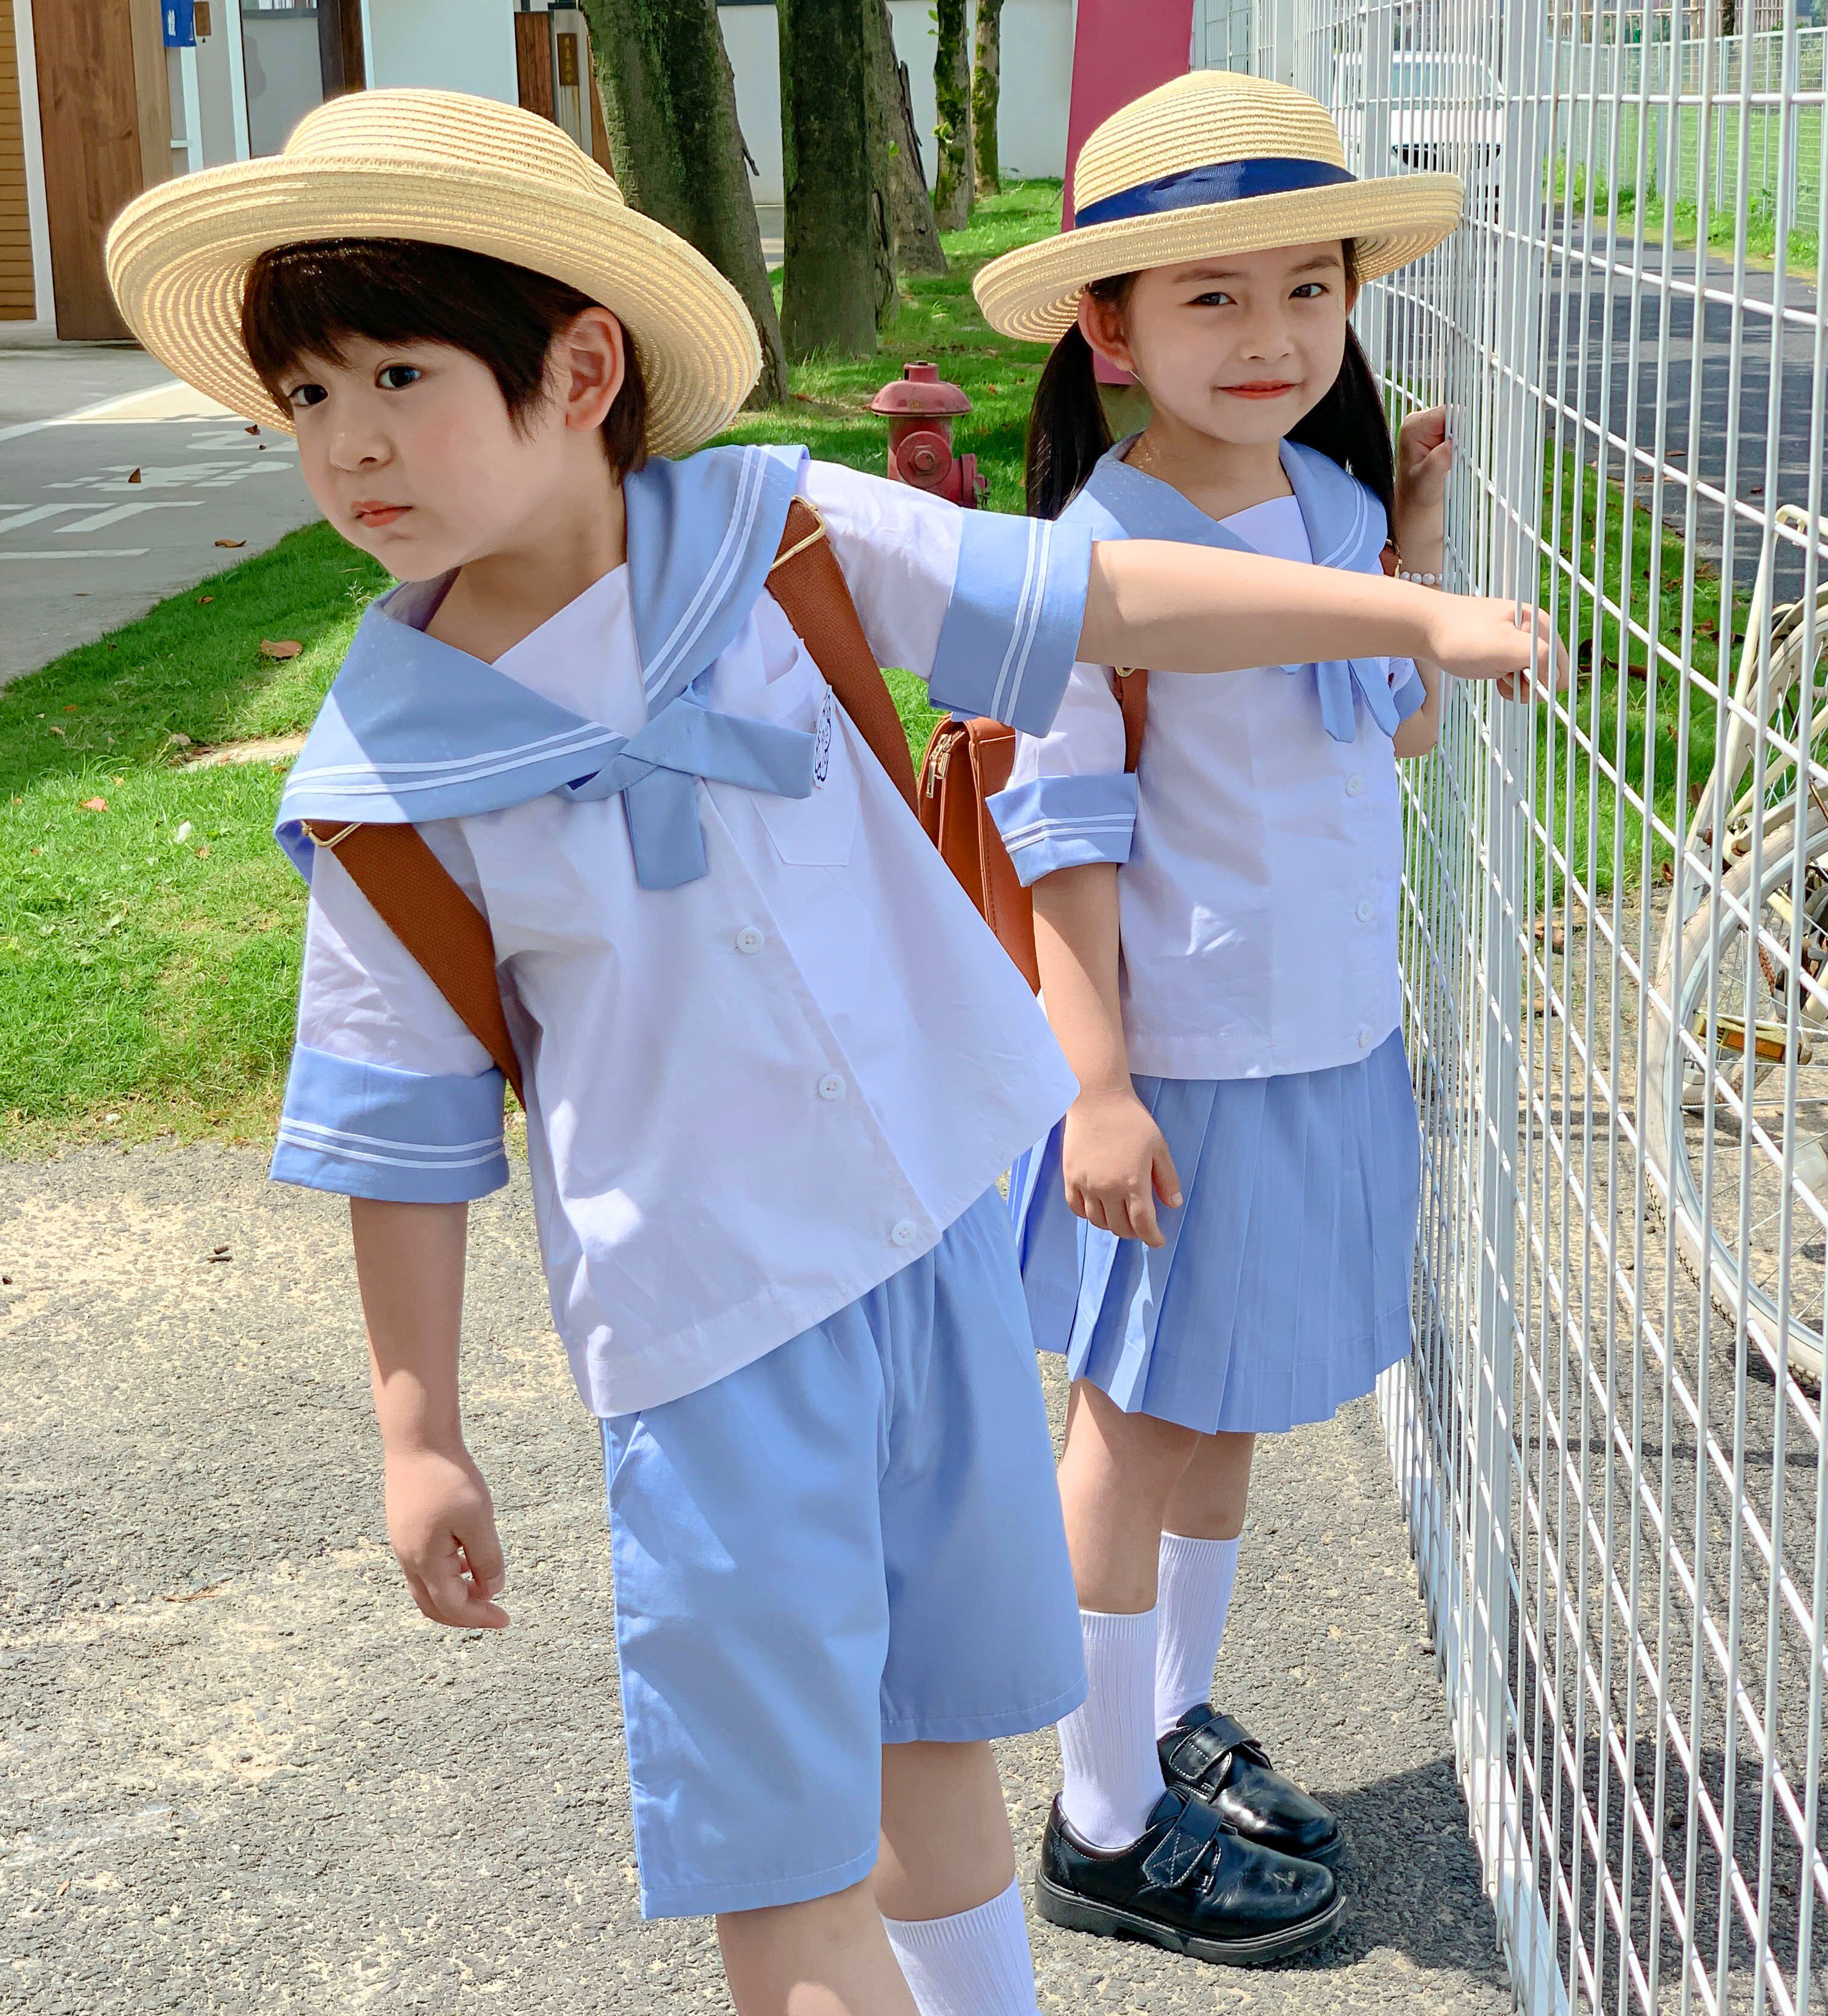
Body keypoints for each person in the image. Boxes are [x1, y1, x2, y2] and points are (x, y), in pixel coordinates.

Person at [105, 88, 1561, 2015]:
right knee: (784, 1854)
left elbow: (1096, 599)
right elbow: (401, 1125)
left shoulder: (773, 536)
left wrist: (1407, 611)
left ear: (582, 368)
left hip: (930, 1248)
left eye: (398, 374)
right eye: (307, 396)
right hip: (711, 1342)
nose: (349, 442)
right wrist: (418, 1431)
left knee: (937, 1746)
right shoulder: (386, 784)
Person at [974, 69, 1548, 1963]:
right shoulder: (1091, 560)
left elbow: (1397, 723)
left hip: (1326, 1040)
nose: (1273, 335)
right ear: (1109, 327)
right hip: (1182, 1070)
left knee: (1223, 1413)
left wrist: (1412, 547)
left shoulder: (1327, 496)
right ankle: (1098, 1820)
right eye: (1212, 297)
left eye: (1309, 288)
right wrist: (1099, 1087)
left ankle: (1166, 1722)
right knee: (1134, 1424)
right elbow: (1060, 840)